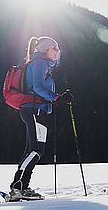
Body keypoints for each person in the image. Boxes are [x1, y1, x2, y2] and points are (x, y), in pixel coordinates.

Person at [9, 36, 71, 200]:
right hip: (34, 109)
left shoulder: (40, 64)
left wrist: (54, 99)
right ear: (46, 49)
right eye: (55, 48)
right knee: (36, 149)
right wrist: (57, 97)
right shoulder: (40, 63)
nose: (57, 52)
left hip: (35, 110)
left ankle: (21, 186)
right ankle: (18, 187)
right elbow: (37, 87)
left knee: (33, 149)